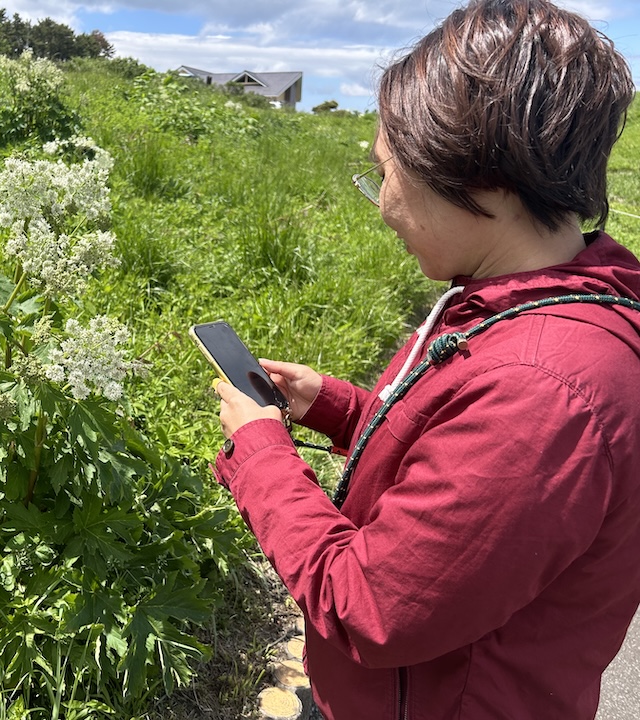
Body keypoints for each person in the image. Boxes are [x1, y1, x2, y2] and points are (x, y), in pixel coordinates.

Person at [211, 1, 640, 718]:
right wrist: (335, 405)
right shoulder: (521, 308)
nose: (381, 204)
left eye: (386, 172)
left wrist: (261, 454)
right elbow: (455, 453)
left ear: (482, 177)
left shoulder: (544, 391)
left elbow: (370, 605)